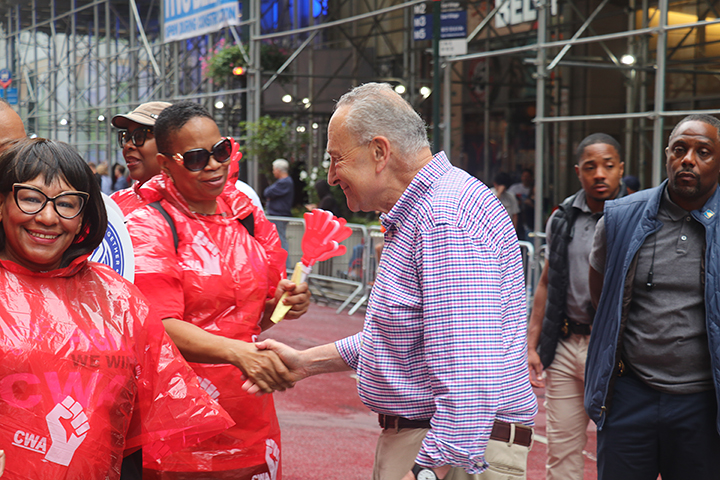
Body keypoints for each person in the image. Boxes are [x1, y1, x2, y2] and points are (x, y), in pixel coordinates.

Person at [250, 83, 537, 480]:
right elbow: (403, 334)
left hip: (445, 450)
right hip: (436, 444)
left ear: (379, 152)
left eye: (336, 159)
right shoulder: (429, 211)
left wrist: (427, 472)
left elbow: (468, 370)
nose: (331, 177)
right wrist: (306, 363)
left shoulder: (444, 217)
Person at [0, 138, 233, 479]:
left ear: (84, 217)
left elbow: (139, 422)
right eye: (31, 199)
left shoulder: (118, 297)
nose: (48, 217)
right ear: (2, 204)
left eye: (66, 204)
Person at [123, 101, 310, 479]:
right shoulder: (147, 224)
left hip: (250, 412)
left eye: (221, 151)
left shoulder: (245, 215)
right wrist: (239, 353)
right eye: (196, 158)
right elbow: (156, 326)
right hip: (177, 422)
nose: (213, 165)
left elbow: (254, 318)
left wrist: (283, 305)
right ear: (166, 164)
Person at [586, 114, 720, 480]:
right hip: (631, 397)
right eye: (679, 149)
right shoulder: (620, 218)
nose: (688, 159)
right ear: (667, 155)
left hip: (704, 405)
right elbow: (603, 297)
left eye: (703, 152)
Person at [526, 133, 624, 480]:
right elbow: (546, 282)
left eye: (608, 166)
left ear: (621, 168)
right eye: (590, 167)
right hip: (566, 347)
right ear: (578, 172)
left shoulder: (637, 216)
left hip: (617, 352)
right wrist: (532, 344)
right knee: (562, 452)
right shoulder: (562, 218)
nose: (600, 174)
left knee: (622, 450)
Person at [110, 101, 172, 214]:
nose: (127, 145)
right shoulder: (114, 204)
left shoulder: (196, 206)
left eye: (139, 136)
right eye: (126, 137)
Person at [263, 158, 294, 266]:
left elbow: (268, 192)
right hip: (278, 215)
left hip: (279, 216)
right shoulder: (285, 182)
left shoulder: (285, 182)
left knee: (281, 241)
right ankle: (283, 266)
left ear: (278, 170)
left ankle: (287, 267)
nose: (273, 172)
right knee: (278, 240)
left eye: (274, 169)